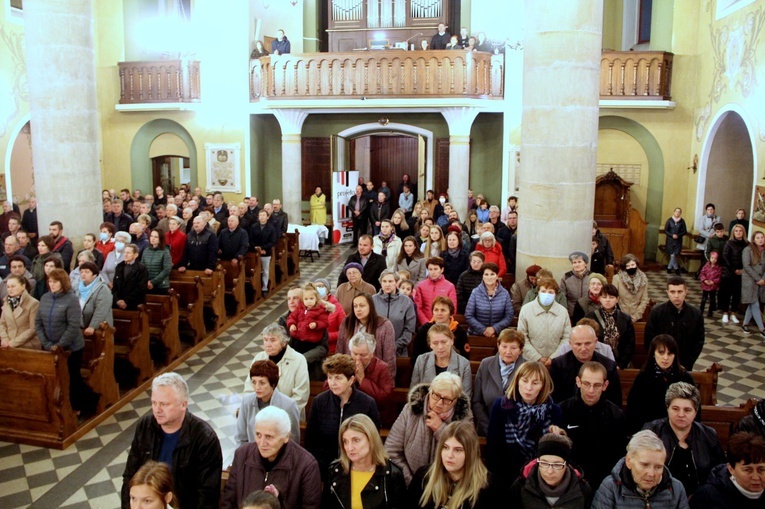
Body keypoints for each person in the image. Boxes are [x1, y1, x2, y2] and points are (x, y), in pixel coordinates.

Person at [122, 372, 222, 509]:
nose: (157, 410)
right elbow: (130, 476)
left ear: (183, 404)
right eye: (154, 403)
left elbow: (207, 495)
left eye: (164, 404)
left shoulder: (204, 438)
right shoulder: (145, 426)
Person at [222, 406, 320, 509]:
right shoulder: (242, 454)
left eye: (269, 437)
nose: (262, 443)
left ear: (286, 437)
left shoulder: (307, 465)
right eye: (258, 435)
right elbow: (228, 501)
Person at [385, 372, 472, 485]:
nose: (439, 403)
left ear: (455, 400)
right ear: (430, 391)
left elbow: (468, 453)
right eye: (436, 395)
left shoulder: (464, 417)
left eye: (446, 400)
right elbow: (391, 450)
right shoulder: (410, 410)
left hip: (447, 485)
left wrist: (441, 429)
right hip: (410, 483)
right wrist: (412, 482)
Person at [643, 382, 725, 496]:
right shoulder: (651, 432)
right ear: (667, 409)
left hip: (700, 498)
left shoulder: (708, 435)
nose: (681, 415)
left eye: (687, 410)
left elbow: (720, 472)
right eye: (675, 409)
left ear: (695, 412)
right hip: (660, 497)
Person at [305, 354, 380, 480]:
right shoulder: (319, 402)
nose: (333, 383)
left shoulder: (367, 403)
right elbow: (311, 441)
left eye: (338, 378)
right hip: (325, 469)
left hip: (357, 467)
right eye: (330, 378)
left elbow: (373, 439)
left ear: (351, 380)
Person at [35, 268, 99, 415]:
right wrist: (47, 344)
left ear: (63, 282)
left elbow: (73, 325)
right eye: (50, 281)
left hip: (71, 348)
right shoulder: (45, 298)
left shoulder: (71, 299)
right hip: (50, 346)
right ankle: (59, 407)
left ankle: (81, 405)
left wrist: (60, 345)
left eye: (55, 282)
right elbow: (38, 323)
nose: (52, 284)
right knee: (54, 379)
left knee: (72, 378)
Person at [486, 361, 563, 481]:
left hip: (540, 477)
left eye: (535, 383)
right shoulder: (501, 406)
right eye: (525, 381)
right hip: (505, 474)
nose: (528, 388)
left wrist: (557, 437)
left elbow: (555, 453)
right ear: (517, 381)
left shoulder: (553, 411)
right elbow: (493, 447)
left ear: (542, 385)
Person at [560, 361, 627, 491]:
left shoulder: (616, 415)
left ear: (605, 385)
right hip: (570, 481)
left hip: (604, 482)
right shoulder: (562, 410)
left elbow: (619, 455)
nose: (591, 390)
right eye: (586, 384)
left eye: (597, 385)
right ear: (578, 382)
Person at [409, 421, 502, 508]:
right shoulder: (423, 476)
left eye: (458, 450)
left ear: (470, 454)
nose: (449, 455)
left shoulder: (489, 487)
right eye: (445, 447)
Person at [323, 414, 406, 509]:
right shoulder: (335, 471)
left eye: (356, 440)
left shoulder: (392, 475)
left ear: (371, 440)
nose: (349, 448)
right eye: (345, 441)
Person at [592, 430, 689, 508]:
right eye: (645, 465)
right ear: (629, 461)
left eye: (658, 467)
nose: (651, 474)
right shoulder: (611, 488)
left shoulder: (676, 489)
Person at [626, 334, 696, 433]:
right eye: (661, 352)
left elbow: (695, 407)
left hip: (678, 431)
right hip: (649, 432)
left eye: (670, 353)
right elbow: (633, 411)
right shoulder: (643, 378)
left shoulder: (685, 377)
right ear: (653, 353)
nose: (665, 358)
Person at [242, 323, 310, 418]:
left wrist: (279, 416)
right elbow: (249, 388)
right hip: (260, 414)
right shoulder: (259, 358)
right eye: (265, 340)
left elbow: (301, 395)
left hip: (288, 416)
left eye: (273, 340)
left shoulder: (298, 360)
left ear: (284, 342)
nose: (268, 345)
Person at [509, 433, 593, 508]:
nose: (549, 471)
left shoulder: (582, 489)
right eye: (544, 463)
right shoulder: (520, 487)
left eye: (557, 465)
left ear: (566, 465)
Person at [550, 324, 622, 406]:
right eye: (578, 344)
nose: (583, 348)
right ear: (570, 344)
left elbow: (615, 401)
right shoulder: (558, 365)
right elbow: (554, 400)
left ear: (595, 342)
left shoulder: (609, 366)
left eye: (587, 343)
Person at [472, 328, 527, 436]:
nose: (508, 351)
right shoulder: (485, 364)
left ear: (520, 350)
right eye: (504, 346)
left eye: (513, 348)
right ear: (498, 346)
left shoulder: (527, 367)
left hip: (518, 432)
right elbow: (477, 402)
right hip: (487, 430)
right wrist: (489, 428)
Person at [690, 431, 765, 508]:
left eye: (761, 469)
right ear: (731, 469)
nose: (756, 477)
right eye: (747, 470)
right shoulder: (707, 497)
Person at [645, 276, 705, 370]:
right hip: (660, 363)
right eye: (673, 292)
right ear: (667, 292)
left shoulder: (696, 314)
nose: (676, 296)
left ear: (686, 292)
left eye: (680, 292)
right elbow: (650, 340)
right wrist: (660, 361)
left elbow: (698, 342)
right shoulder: (657, 313)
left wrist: (686, 364)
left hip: (684, 365)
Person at [236, 360, 300, 445]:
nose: (257, 387)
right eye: (254, 382)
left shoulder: (289, 405)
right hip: (252, 454)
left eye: (262, 383)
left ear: (273, 384)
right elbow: (241, 438)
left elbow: (293, 442)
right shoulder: (246, 401)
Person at [337, 293, 396, 380]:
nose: (358, 309)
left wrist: (387, 379)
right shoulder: (347, 322)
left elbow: (389, 356)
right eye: (355, 306)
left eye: (362, 306)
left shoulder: (385, 325)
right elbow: (340, 350)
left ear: (370, 307)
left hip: (375, 375)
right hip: (350, 374)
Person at [518, 277, 571, 366]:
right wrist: (537, 357)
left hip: (557, 362)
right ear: (538, 292)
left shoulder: (563, 312)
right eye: (543, 291)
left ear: (555, 294)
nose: (547, 294)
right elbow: (522, 337)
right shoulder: (526, 310)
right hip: (530, 361)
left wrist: (553, 357)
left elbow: (567, 337)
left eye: (550, 292)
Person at [411, 323, 472, 397]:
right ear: (430, 344)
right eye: (435, 343)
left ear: (452, 341)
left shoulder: (464, 364)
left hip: (452, 406)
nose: (440, 347)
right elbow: (414, 392)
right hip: (425, 406)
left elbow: (465, 397)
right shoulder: (421, 360)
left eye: (444, 342)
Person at [585, 283, 635, 369]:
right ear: (599, 298)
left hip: (619, 362)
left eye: (611, 297)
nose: (608, 300)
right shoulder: (591, 317)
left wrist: (621, 364)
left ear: (617, 299)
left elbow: (630, 344)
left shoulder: (625, 318)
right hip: (595, 362)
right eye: (604, 297)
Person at [410, 296, 469, 363]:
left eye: (443, 310)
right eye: (436, 310)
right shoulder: (423, 330)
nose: (439, 313)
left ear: (450, 313)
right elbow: (415, 357)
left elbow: (464, 358)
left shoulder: (460, 332)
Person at [372, 269, 416, 356]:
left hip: (399, 352)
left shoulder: (406, 301)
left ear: (397, 283)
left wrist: (394, 346)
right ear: (381, 283)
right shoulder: (372, 300)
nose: (387, 284)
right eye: (384, 281)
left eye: (390, 281)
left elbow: (409, 329)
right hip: (376, 351)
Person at [465, 262, 513, 337]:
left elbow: (509, 316)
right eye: (486, 274)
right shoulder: (475, 292)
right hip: (476, 334)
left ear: (497, 276)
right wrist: (484, 330)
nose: (489, 277)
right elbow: (469, 315)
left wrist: (494, 329)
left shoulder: (505, 293)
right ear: (482, 276)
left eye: (492, 274)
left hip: (498, 335)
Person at [287, 282, 331, 363]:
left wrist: (316, 324)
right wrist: (292, 324)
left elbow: (323, 348)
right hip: (295, 350)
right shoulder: (285, 319)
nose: (291, 302)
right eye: (289, 298)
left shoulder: (320, 311)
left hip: (311, 352)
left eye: (295, 298)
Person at [413, 257, 457, 326]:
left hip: (444, 325)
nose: (433, 272)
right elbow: (418, 307)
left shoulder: (450, 286)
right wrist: (427, 323)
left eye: (436, 269)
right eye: (430, 269)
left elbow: (452, 308)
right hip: (425, 325)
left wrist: (442, 323)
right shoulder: (420, 286)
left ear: (442, 270)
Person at [0, 274, 40, 349]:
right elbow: (2, 323)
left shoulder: (33, 303)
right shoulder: (6, 302)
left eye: (13, 286)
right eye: (8, 287)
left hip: (27, 346)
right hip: (8, 344)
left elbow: (33, 329)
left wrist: (13, 343)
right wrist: (4, 338)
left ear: (23, 286)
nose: (10, 289)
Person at [720, 223, 747, 324]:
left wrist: (743, 270)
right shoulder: (729, 243)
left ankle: (733, 313)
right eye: (736, 231)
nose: (738, 233)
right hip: (729, 272)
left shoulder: (746, 244)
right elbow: (725, 257)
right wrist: (734, 269)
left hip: (742, 272)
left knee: (737, 294)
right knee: (726, 293)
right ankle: (725, 313)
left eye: (740, 231)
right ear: (733, 232)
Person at [76, 262, 113, 337]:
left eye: (87, 272)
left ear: (95, 274)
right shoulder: (77, 287)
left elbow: (101, 310)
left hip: (99, 327)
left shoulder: (102, 289)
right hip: (81, 325)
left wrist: (92, 326)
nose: (83, 274)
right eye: (82, 272)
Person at [741, 230, 765, 336]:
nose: (760, 240)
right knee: (755, 304)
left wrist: (763, 279)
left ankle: (745, 323)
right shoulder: (748, 250)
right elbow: (746, 266)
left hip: (762, 280)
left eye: (762, 237)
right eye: (758, 238)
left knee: (752, 303)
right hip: (750, 280)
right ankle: (762, 329)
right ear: (754, 240)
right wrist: (757, 279)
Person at [314, 277, 346, 354]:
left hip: (331, 350)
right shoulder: (310, 305)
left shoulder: (337, 307)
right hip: (314, 349)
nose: (318, 289)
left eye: (321, 286)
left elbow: (344, 331)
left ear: (327, 290)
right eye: (316, 287)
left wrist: (326, 337)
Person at [112, 244, 149, 310]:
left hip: (133, 304)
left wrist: (125, 301)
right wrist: (117, 300)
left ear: (135, 255)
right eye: (125, 252)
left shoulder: (141, 269)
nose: (125, 254)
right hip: (117, 303)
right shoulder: (119, 266)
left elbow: (141, 288)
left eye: (128, 253)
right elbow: (115, 286)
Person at [614, 254, 649, 321]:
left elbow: (644, 299)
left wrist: (636, 316)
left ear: (636, 265)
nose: (631, 267)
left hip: (636, 316)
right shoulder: (617, 278)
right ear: (624, 267)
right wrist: (621, 315)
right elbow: (614, 298)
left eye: (632, 265)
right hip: (620, 315)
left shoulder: (643, 279)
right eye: (628, 266)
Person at [250, 209, 278, 293]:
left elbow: (272, 241)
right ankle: (255, 287)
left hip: (266, 252)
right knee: (255, 270)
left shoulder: (271, 228)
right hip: (255, 252)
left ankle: (264, 287)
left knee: (265, 271)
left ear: (267, 217)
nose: (261, 217)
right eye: (260, 215)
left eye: (263, 215)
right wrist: (256, 248)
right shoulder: (254, 226)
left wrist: (262, 248)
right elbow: (251, 239)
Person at [561, 251, 591, 318]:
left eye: (579, 262)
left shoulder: (592, 276)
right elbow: (563, 296)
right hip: (572, 314)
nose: (577, 264)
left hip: (589, 313)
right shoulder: (566, 277)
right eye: (574, 262)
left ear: (585, 264)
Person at [141, 229, 172, 295]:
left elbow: (166, 270)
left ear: (160, 239)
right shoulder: (146, 250)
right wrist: (146, 281)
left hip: (161, 286)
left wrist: (153, 282)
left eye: (156, 237)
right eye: (151, 236)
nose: (153, 239)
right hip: (147, 284)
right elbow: (142, 267)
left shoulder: (165, 251)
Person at [699, 250, 723, 318]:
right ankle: (701, 310)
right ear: (710, 258)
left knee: (712, 299)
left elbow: (719, 277)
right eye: (712, 258)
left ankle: (710, 311)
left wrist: (714, 282)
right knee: (704, 298)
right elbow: (702, 273)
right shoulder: (706, 265)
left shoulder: (719, 267)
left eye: (715, 258)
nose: (713, 260)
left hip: (713, 286)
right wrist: (704, 280)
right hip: (705, 286)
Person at [665, 207, 687, 275]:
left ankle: (669, 267)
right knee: (672, 255)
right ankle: (676, 268)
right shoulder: (669, 220)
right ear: (674, 212)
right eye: (676, 211)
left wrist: (678, 235)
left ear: (680, 213)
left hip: (678, 241)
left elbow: (684, 231)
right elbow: (665, 230)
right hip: (670, 240)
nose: (677, 213)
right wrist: (672, 235)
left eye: (679, 212)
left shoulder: (682, 221)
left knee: (674, 254)